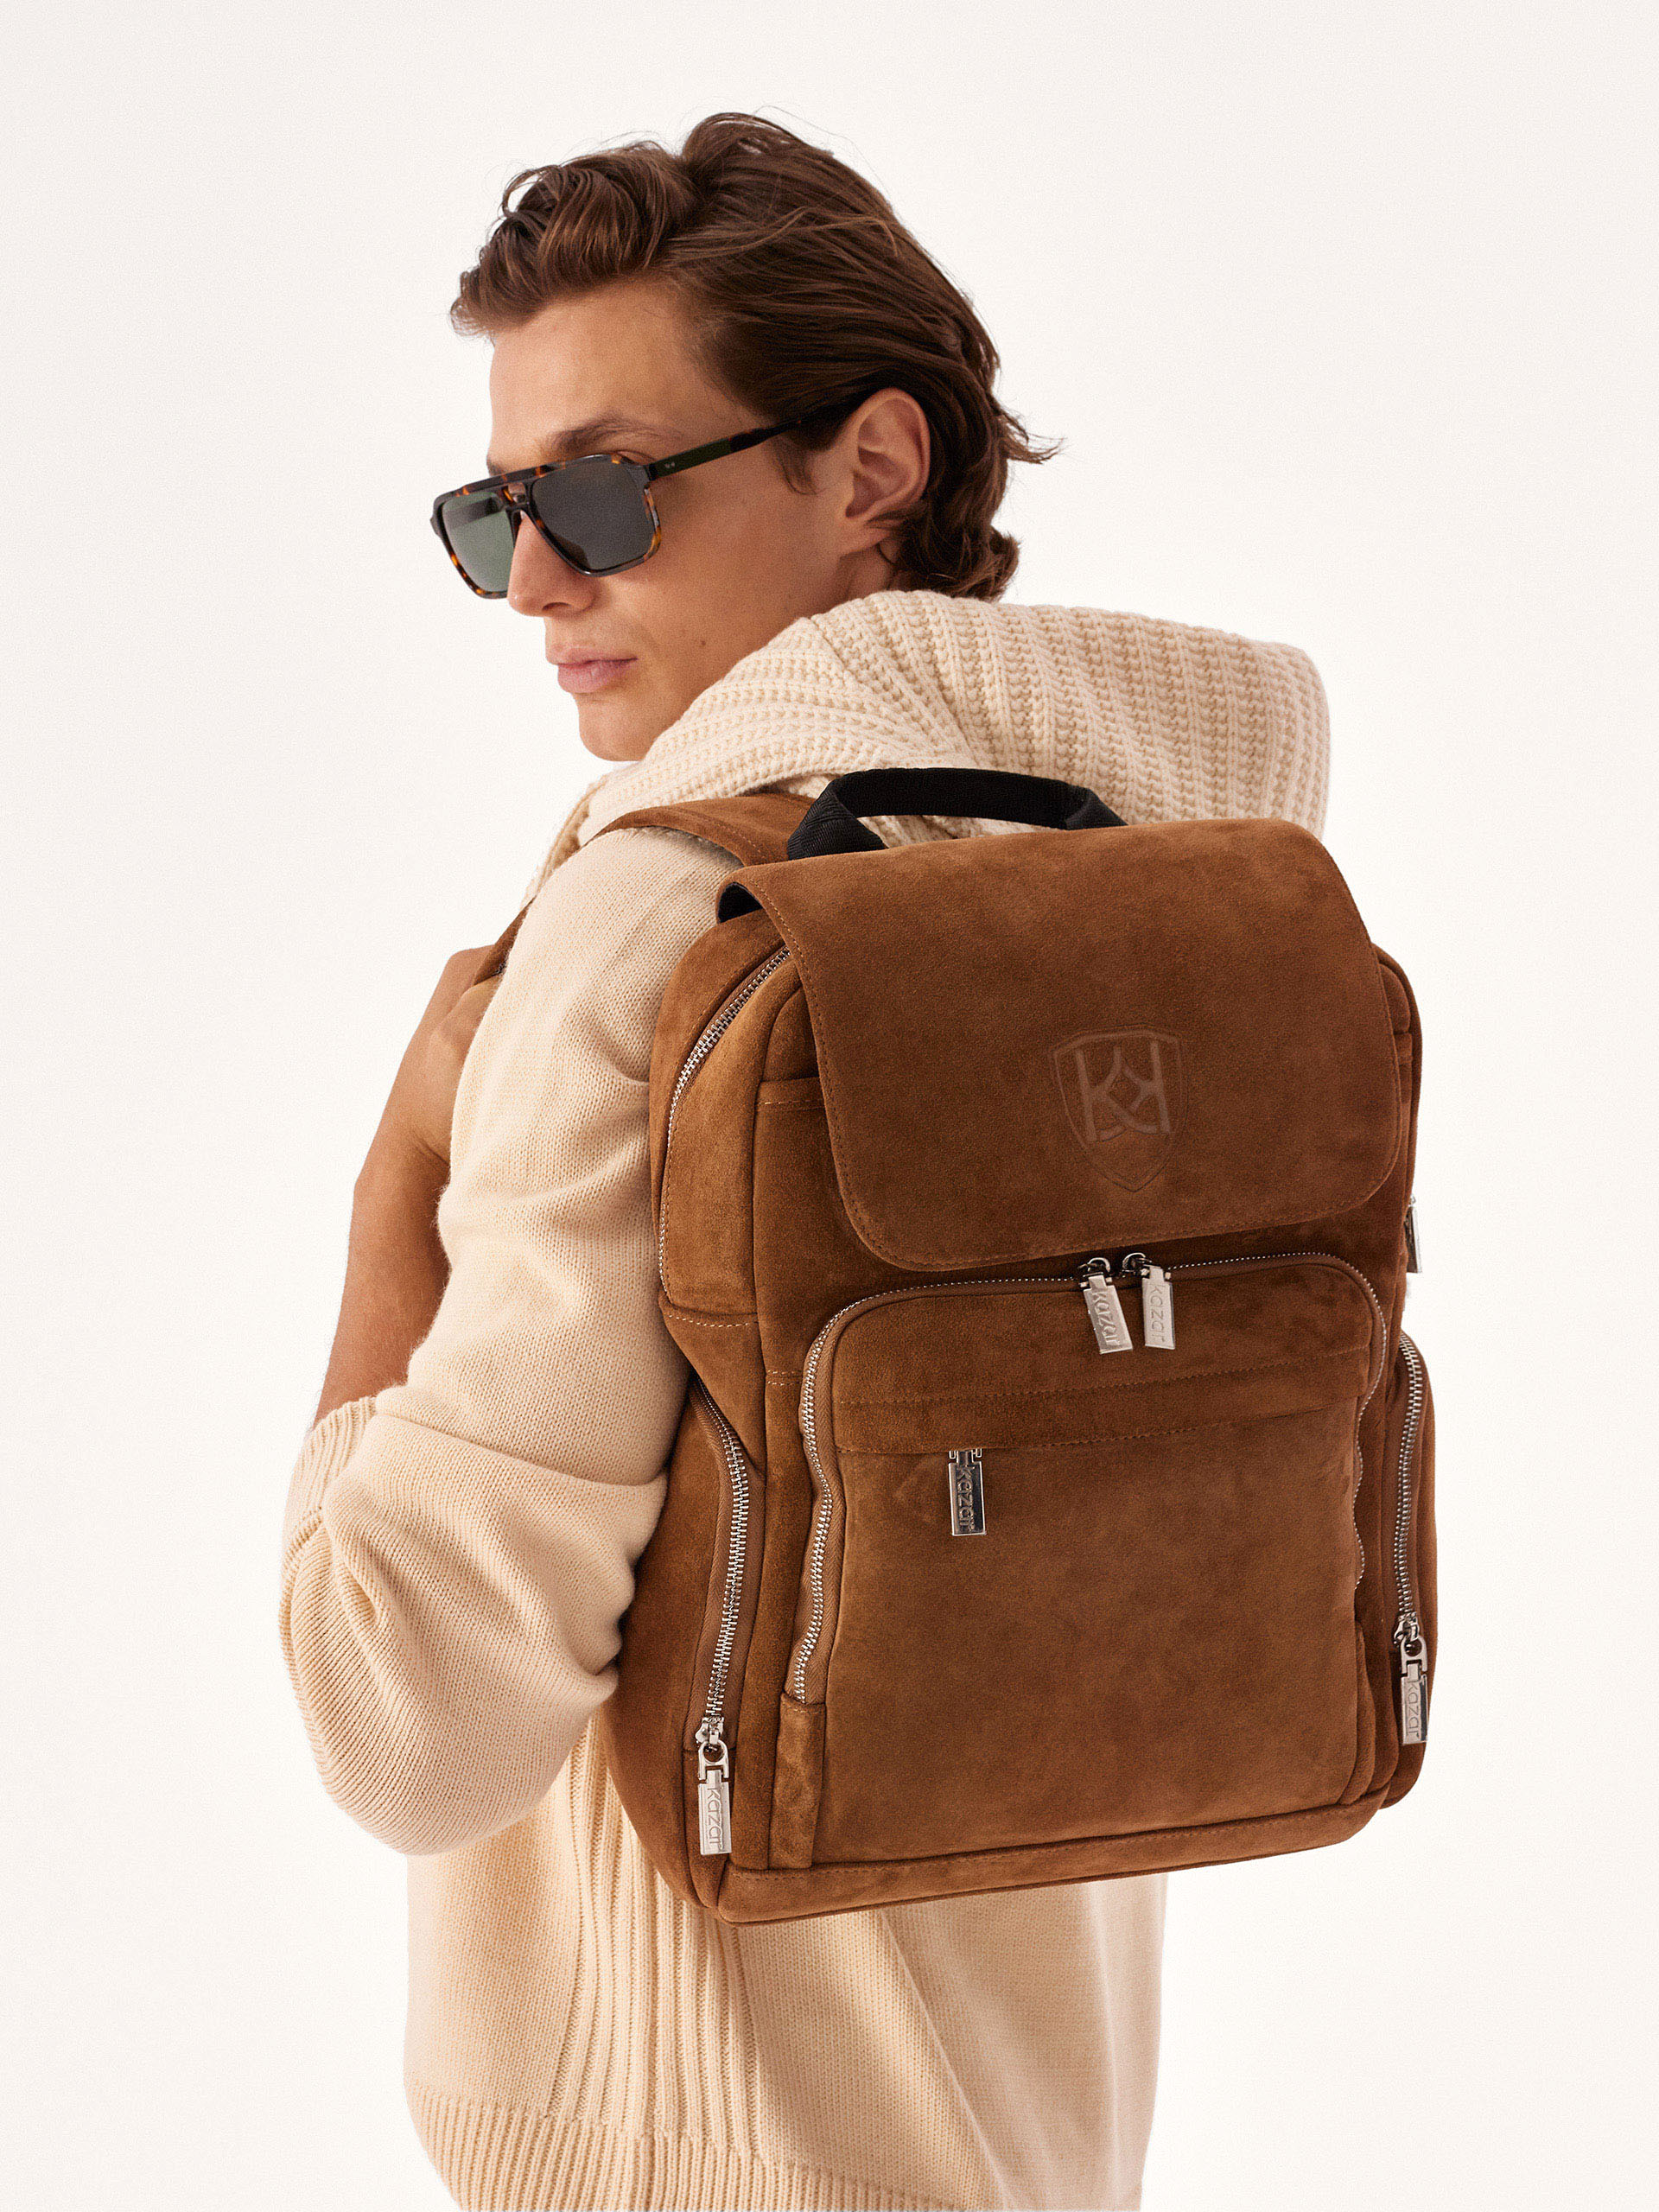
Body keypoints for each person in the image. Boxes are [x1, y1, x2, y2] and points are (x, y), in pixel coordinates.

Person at [279, 112, 1329, 2212]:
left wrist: (402, 1168)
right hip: (1032, 2139)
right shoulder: (1185, 894)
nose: (540, 581)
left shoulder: (654, 925)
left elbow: (411, 1720)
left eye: (600, 489)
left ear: (869, 468)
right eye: (496, 513)